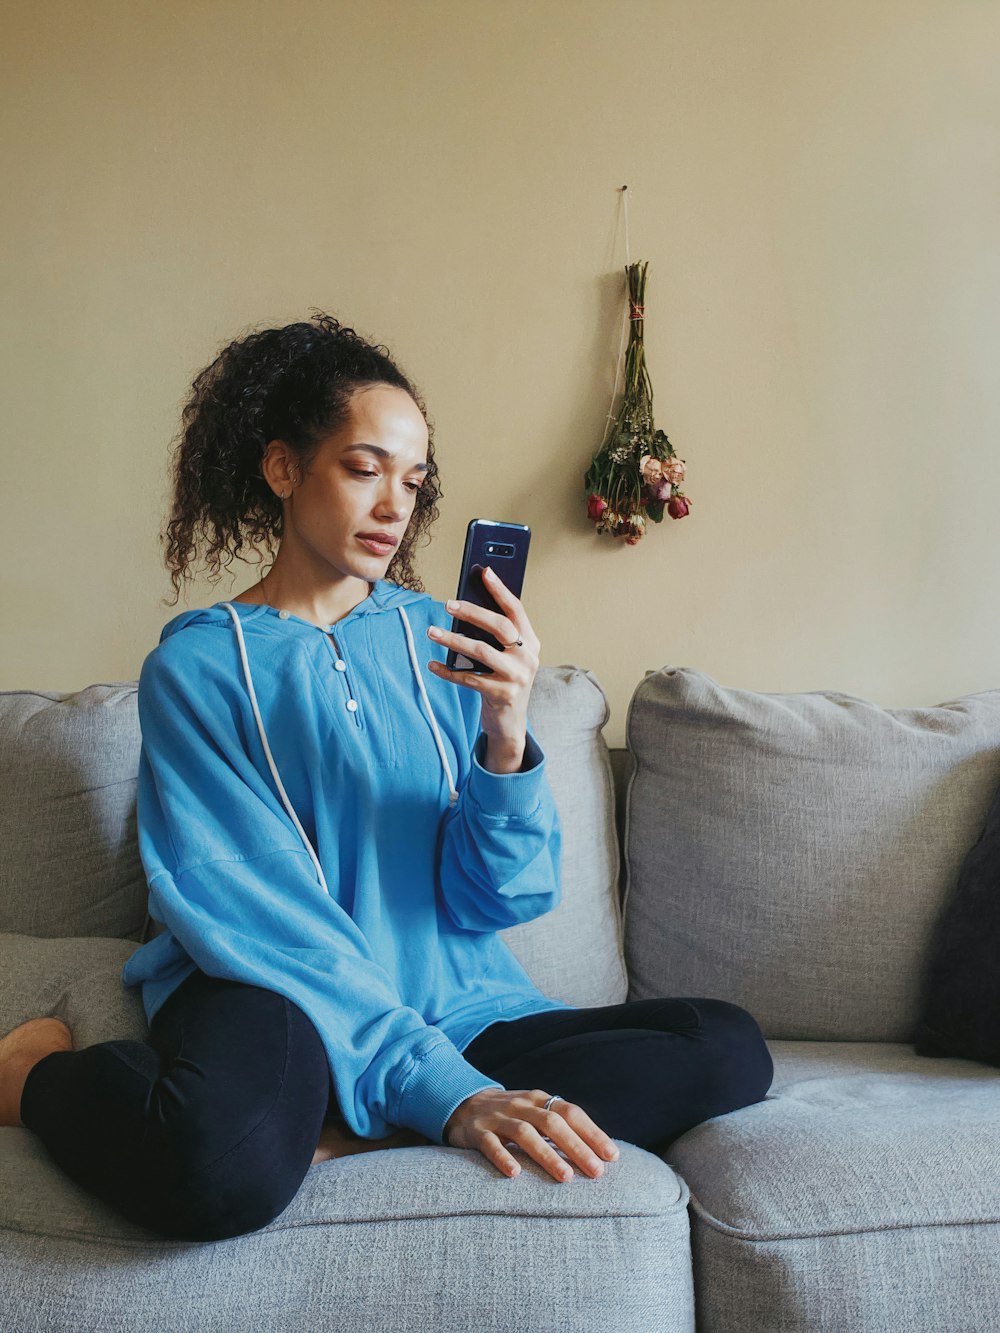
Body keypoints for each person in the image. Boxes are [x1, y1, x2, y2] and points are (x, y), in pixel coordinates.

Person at [0, 311, 773, 1242]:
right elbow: (260, 912)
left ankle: (346, 1133)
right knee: (218, 1173)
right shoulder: (196, 671)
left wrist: (503, 730)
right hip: (273, 992)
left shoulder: (434, 640)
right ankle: (35, 1075)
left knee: (726, 1047)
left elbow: (500, 897)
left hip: (453, 1002)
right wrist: (445, 1096)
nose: (394, 506)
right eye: (364, 469)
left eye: (413, 481)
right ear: (283, 468)